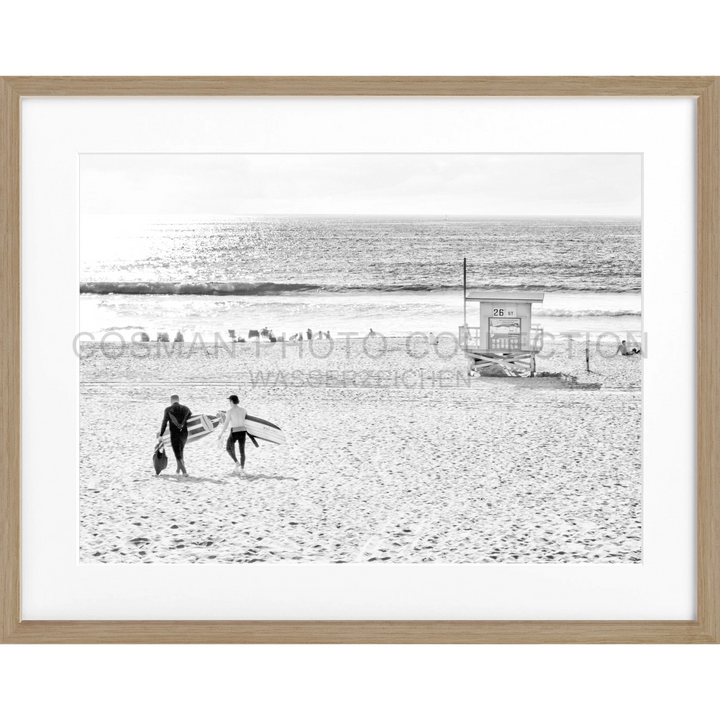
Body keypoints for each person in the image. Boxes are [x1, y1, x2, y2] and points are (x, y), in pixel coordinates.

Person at [157, 395, 192, 476]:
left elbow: (164, 423)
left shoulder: (168, 410)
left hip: (174, 434)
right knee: (180, 450)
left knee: (177, 452)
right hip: (184, 433)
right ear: (178, 400)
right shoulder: (185, 408)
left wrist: (161, 435)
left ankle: (184, 472)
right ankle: (178, 470)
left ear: (171, 401)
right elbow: (190, 416)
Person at [219, 395, 248, 476]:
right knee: (242, 451)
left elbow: (226, 423)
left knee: (228, 448)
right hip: (243, 431)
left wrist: (221, 433)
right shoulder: (244, 410)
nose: (229, 403)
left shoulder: (229, 411)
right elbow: (246, 421)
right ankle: (242, 468)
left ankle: (236, 462)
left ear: (231, 401)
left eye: (229, 401)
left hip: (234, 432)